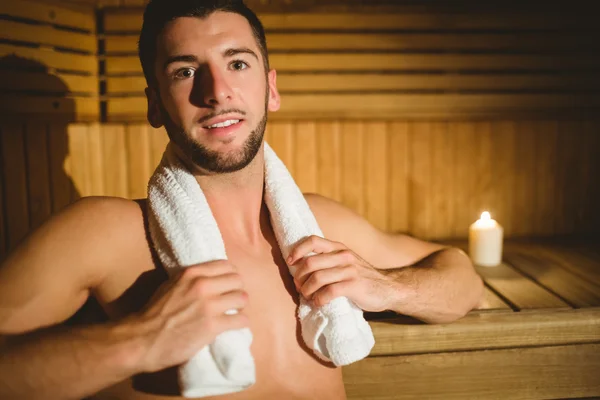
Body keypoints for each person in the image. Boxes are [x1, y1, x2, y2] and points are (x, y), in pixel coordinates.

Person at [0, 0, 484, 399]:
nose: (218, 92)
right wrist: (139, 341)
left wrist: (387, 287)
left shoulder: (320, 224)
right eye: (186, 71)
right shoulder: (105, 232)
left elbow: (463, 280)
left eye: (236, 63)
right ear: (154, 104)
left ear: (270, 88)